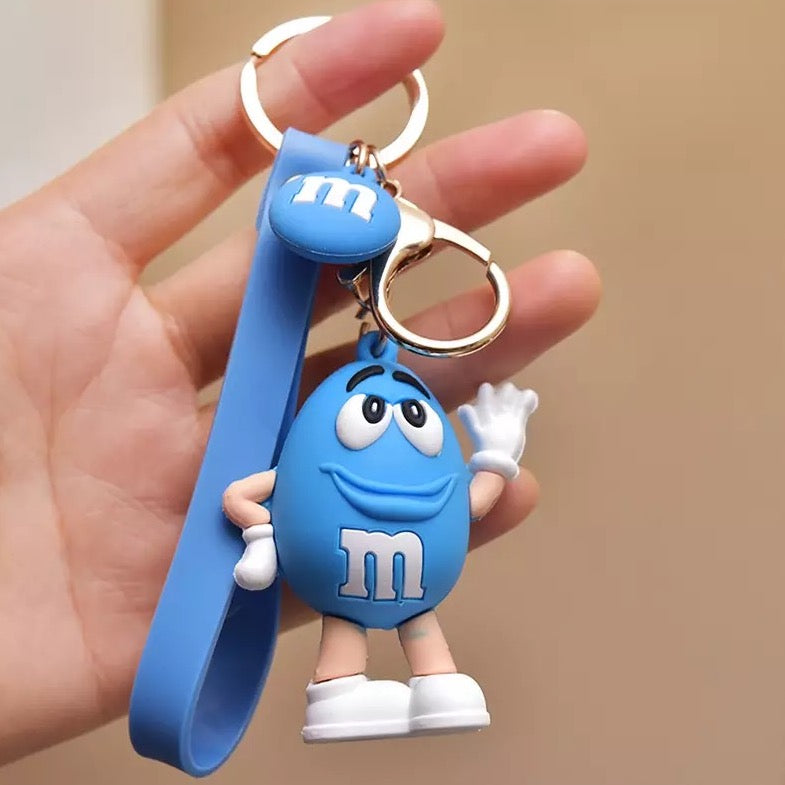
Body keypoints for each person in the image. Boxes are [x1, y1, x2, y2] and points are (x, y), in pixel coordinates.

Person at [0, 0, 600, 766]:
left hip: (397, 572)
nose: (395, 425)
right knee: (370, 622)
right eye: (380, 415)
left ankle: (433, 685)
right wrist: (263, 532)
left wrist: (494, 449)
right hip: (363, 565)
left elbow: (439, 499)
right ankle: (345, 692)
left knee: (410, 621)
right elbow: (254, 495)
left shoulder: (367, 456)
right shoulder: (330, 456)